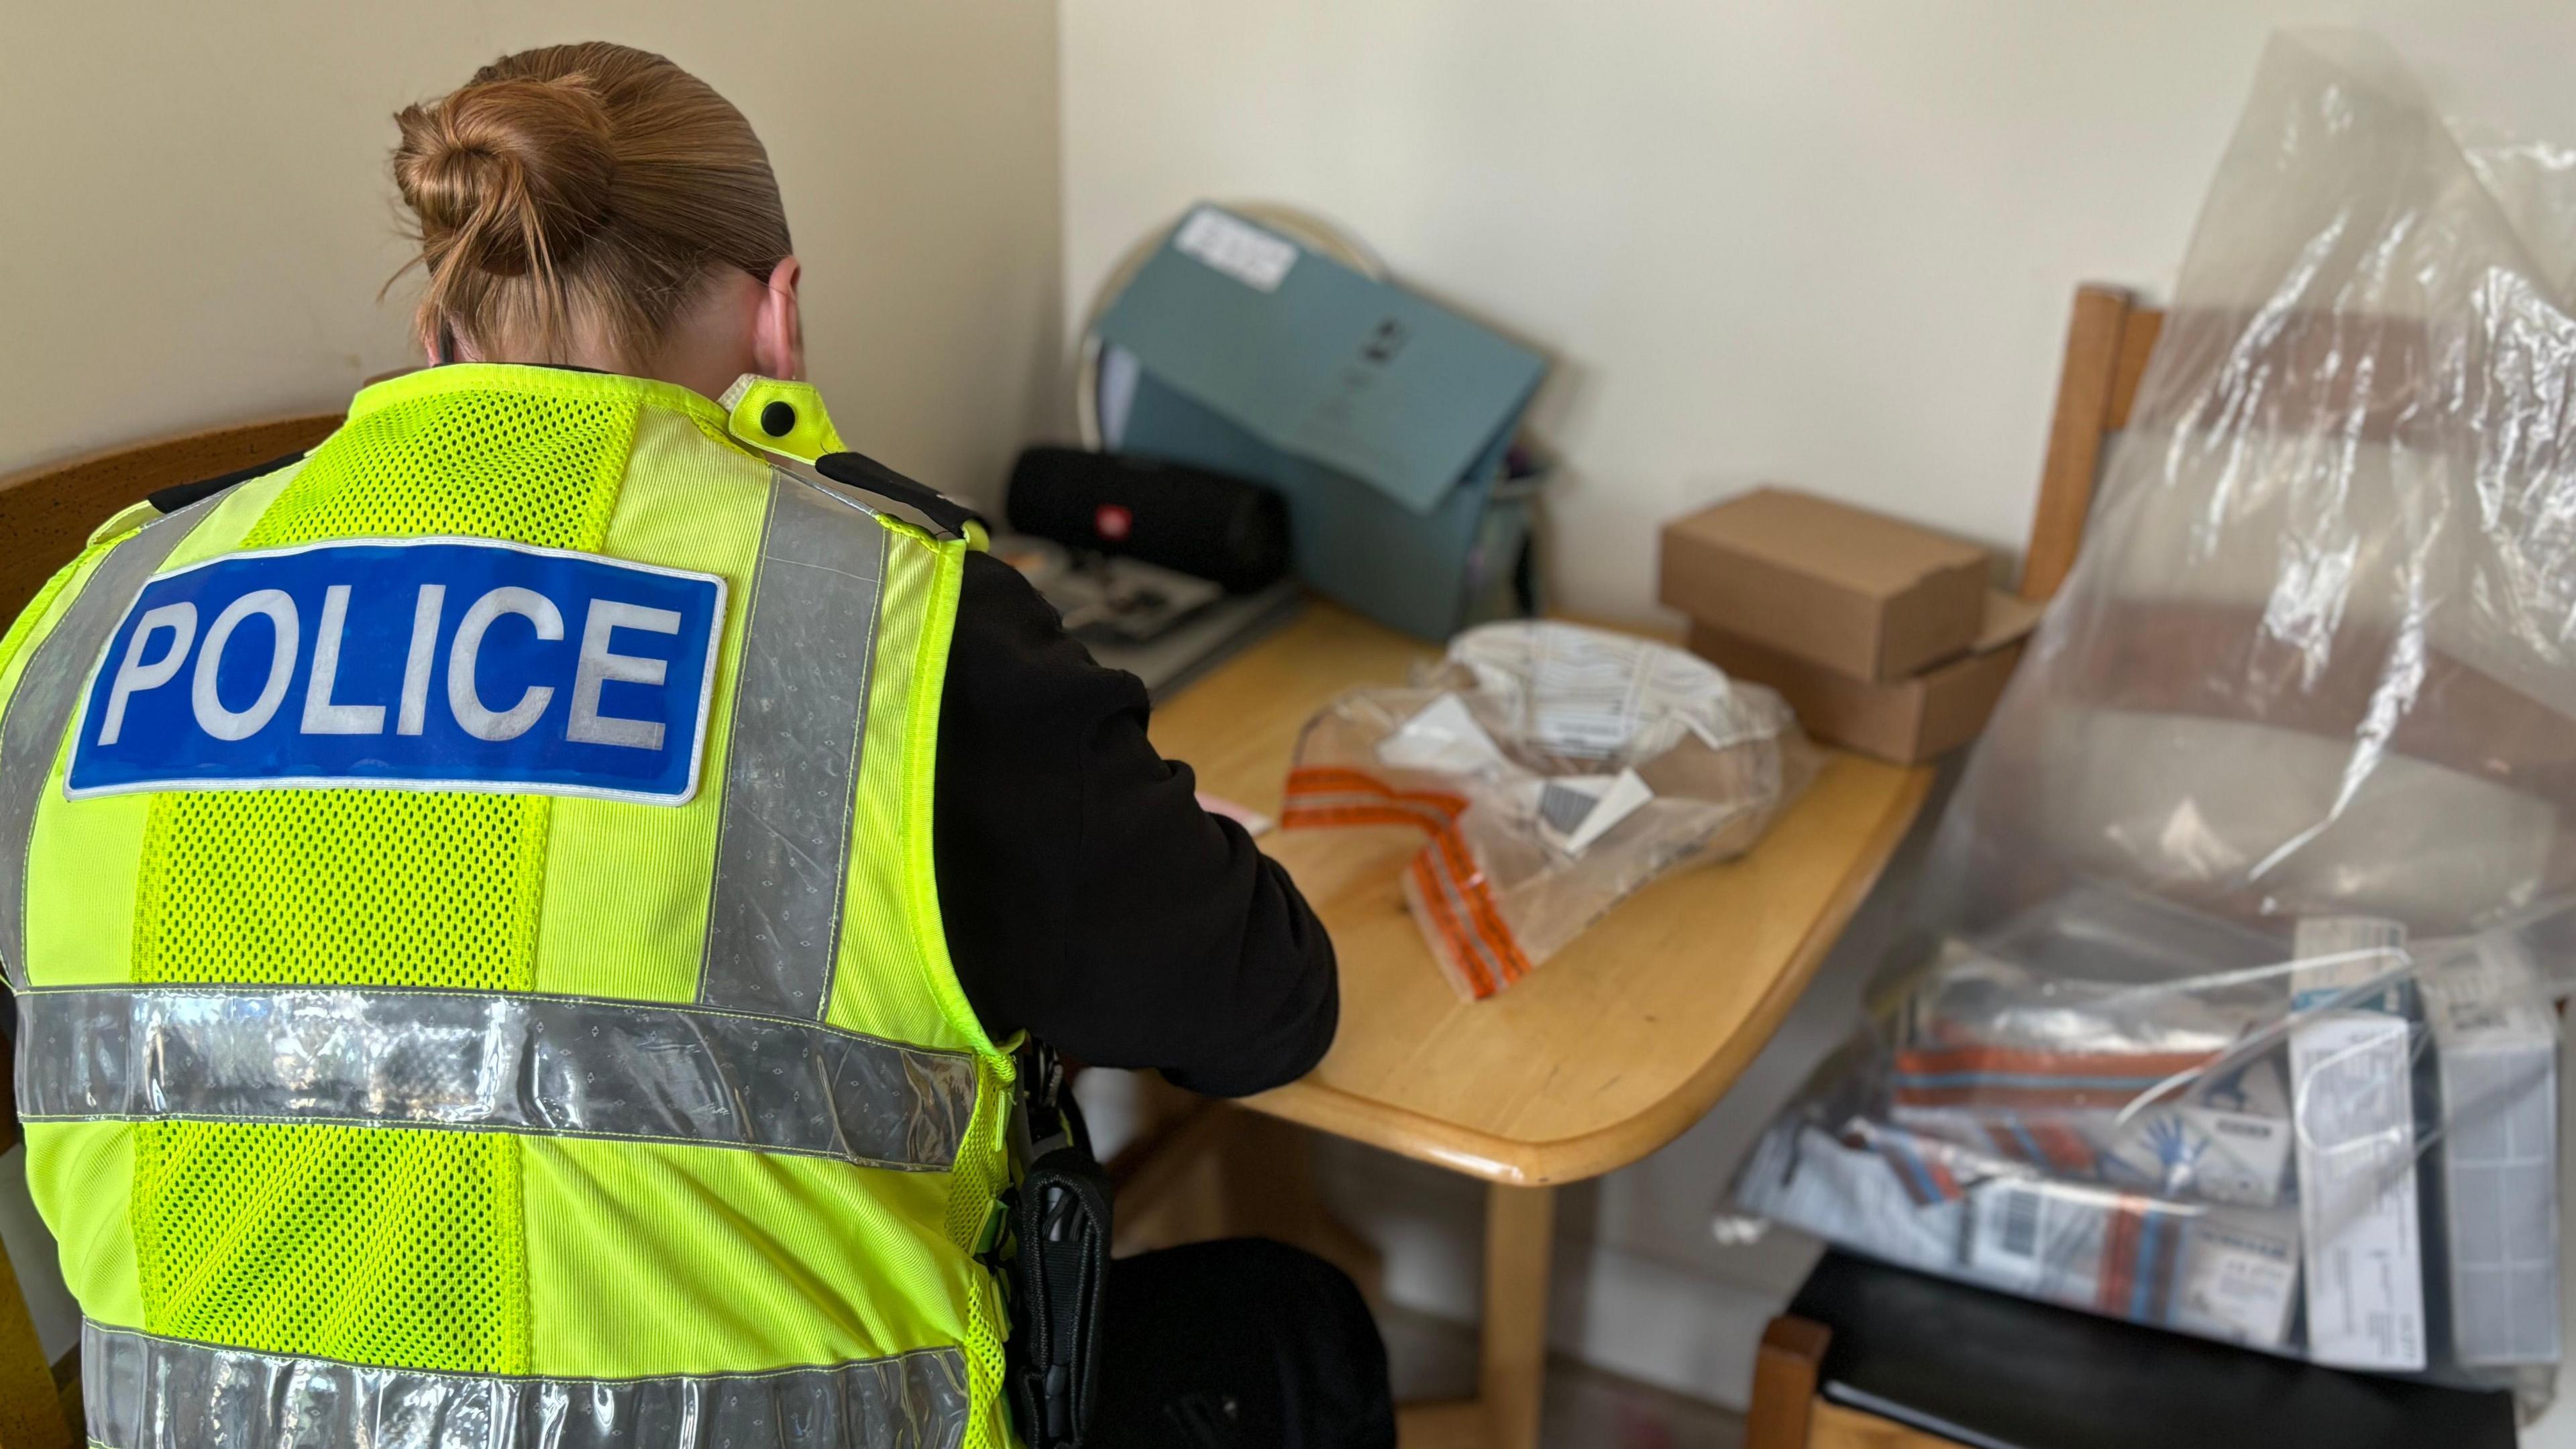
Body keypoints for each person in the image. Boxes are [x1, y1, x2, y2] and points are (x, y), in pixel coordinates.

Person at [0, 41, 1393, 1449]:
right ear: (781, 320)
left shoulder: (96, 607)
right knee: (1291, 1330)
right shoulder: (885, 622)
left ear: (437, 328)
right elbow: (1267, 1005)